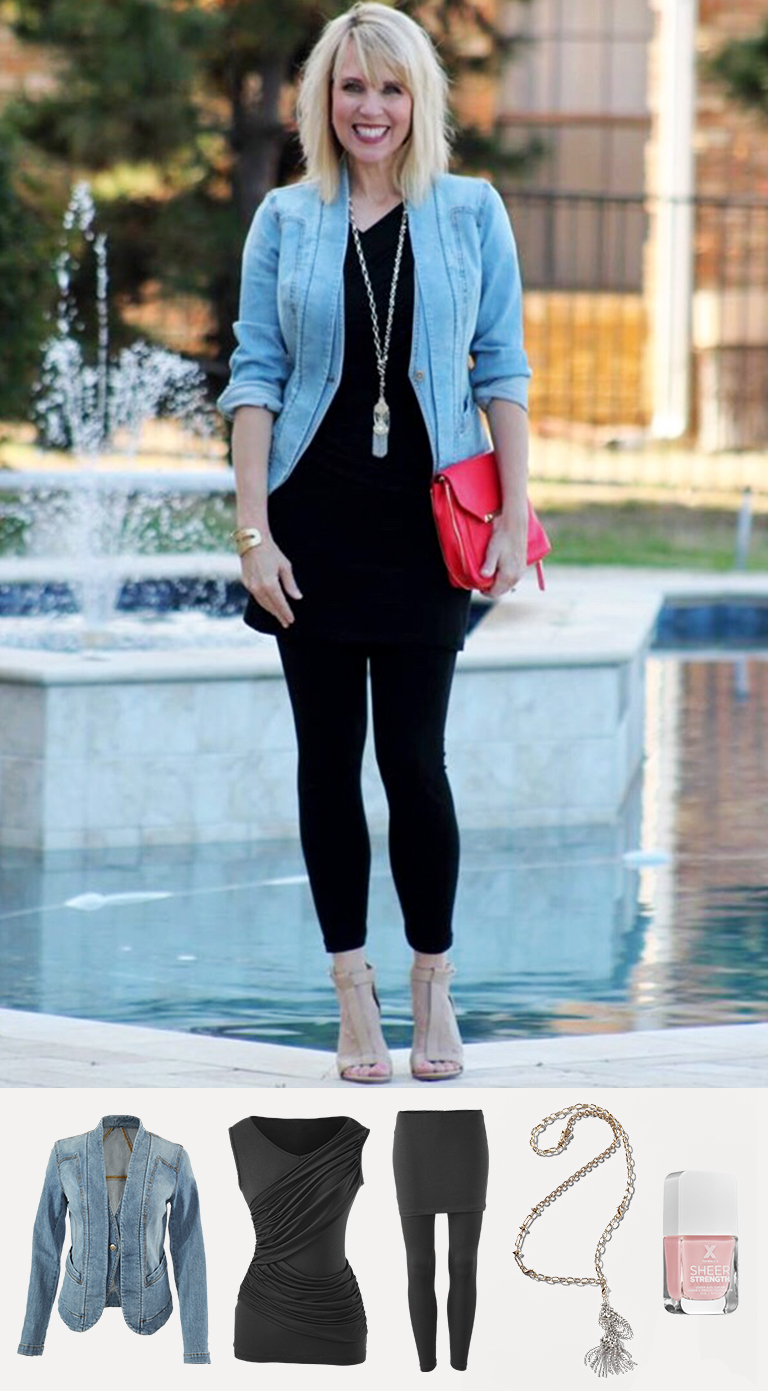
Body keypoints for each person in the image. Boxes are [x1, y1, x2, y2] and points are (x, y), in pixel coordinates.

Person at [217, 2, 531, 1083]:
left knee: (415, 763)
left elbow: (502, 367)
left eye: (390, 88)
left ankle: (433, 987)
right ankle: (353, 997)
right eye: (352, 86)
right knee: (326, 764)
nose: (371, 107)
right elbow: (255, 376)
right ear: (325, 96)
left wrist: (511, 512)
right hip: (311, 522)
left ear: (418, 98)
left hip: (425, 527)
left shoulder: (471, 212)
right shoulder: (286, 220)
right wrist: (253, 533)